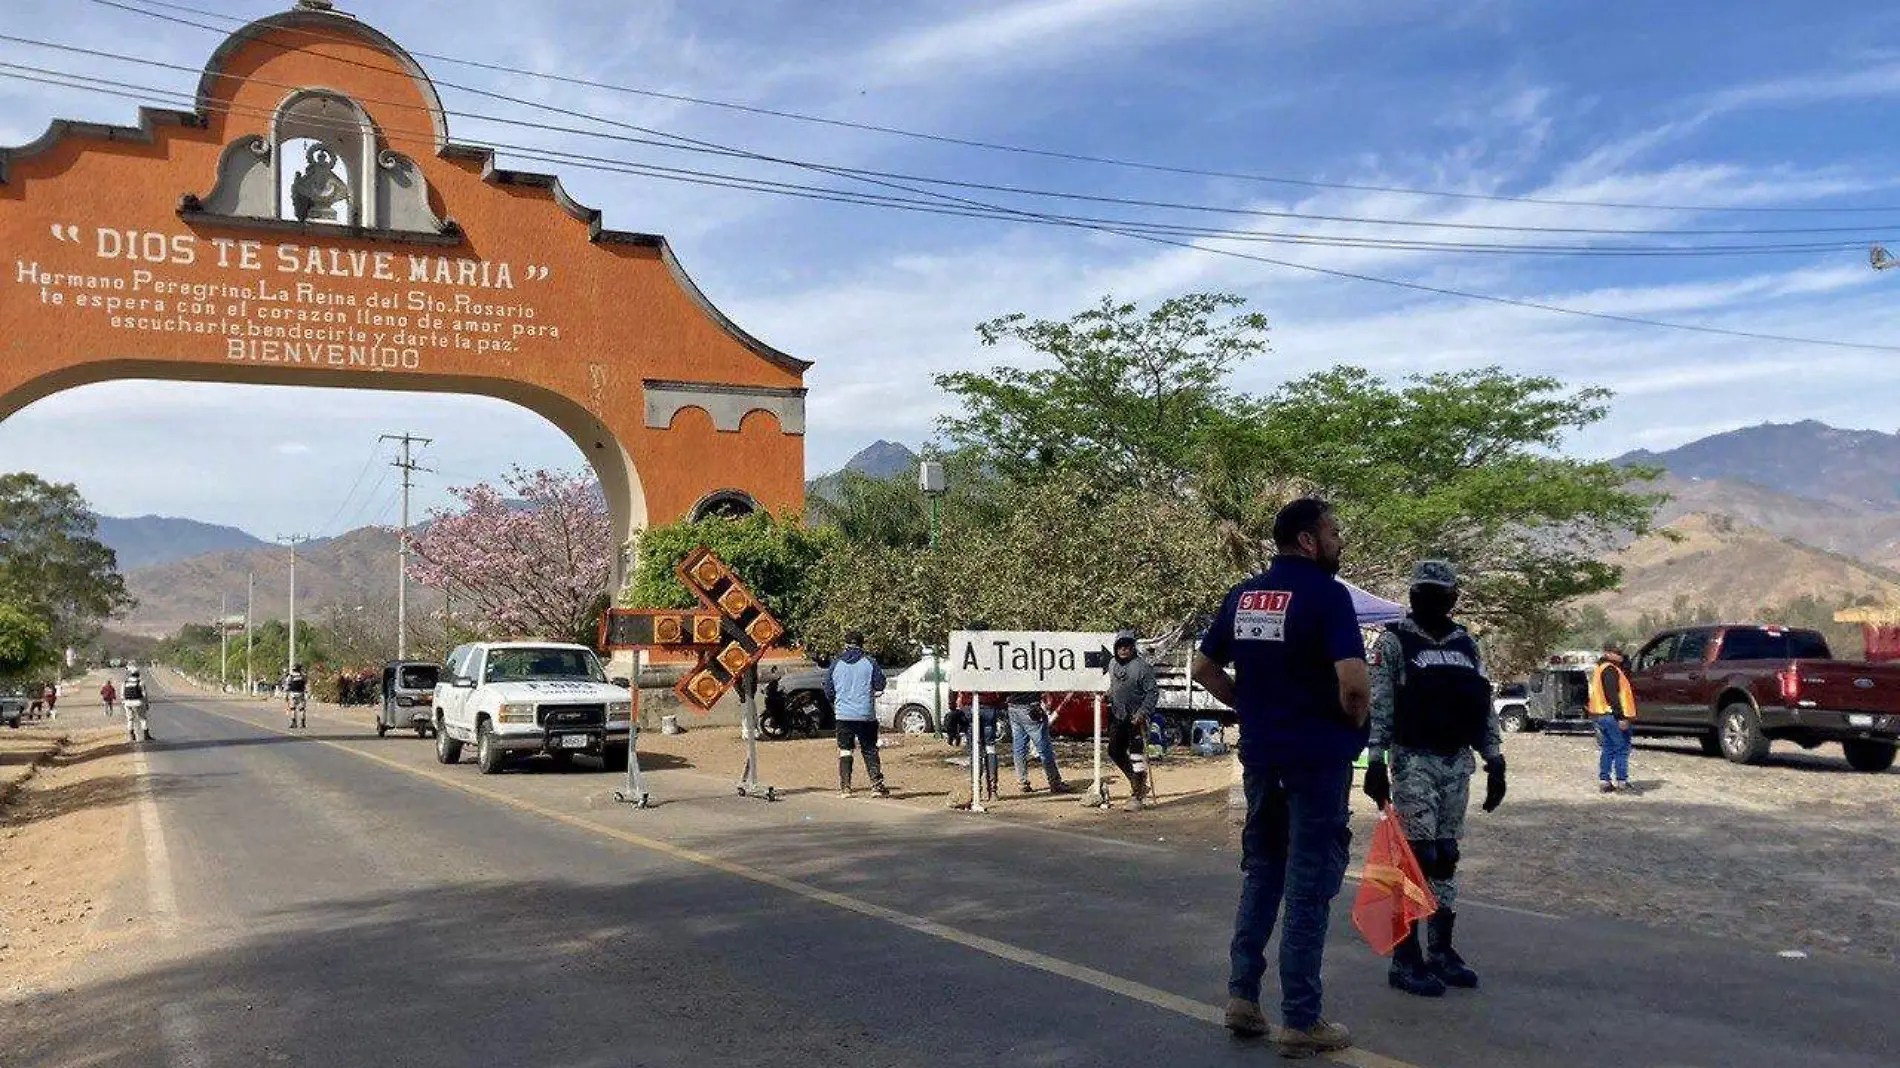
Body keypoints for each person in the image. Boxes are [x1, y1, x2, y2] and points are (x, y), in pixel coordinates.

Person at [1193, 497, 1370, 1059]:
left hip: (1263, 759)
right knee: (1309, 884)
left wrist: (1249, 707)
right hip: (1317, 761)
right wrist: (1354, 723)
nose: (1340, 541)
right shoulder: (1329, 595)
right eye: (1334, 532)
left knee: (1264, 872)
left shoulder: (1244, 596)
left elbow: (1203, 669)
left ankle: (1243, 999)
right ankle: (1302, 1018)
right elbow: (1355, 684)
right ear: (1310, 541)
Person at [1364, 560, 1506, 999]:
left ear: (1453, 598)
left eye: (1438, 592)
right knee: (1416, 856)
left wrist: (1495, 758)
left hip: (1455, 762)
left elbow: (1480, 704)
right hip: (1413, 761)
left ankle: (1440, 950)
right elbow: (1382, 702)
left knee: (1445, 855)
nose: (1429, 600)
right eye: (1422, 592)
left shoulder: (1467, 645)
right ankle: (1404, 958)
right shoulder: (1394, 642)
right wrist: (1374, 760)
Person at [825, 632, 889, 798]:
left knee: (845, 750)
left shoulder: (836, 664)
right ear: (862, 644)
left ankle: (846, 787)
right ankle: (876, 785)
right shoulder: (870, 663)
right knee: (869, 749)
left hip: (843, 715)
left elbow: (828, 690)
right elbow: (880, 683)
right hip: (866, 714)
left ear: (845, 644)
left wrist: (838, 702)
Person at [1104, 631, 1158, 811]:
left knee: (1136, 755)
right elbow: (1115, 687)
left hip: (1137, 719)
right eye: (1120, 646)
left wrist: (1142, 713)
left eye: (1127, 646)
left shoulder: (1142, 667)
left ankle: (1137, 794)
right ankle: (1137, 781)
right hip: (1118, 716)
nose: (1123, 649)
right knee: (1113, 750)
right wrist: (1107, 696)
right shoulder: (1112, 664)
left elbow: (1152, 693)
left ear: (1133, 648)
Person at [1590, 643, 1636, 792]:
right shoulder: (1610, 670)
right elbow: (1612, 696)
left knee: (1608, 748)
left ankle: (1604, 780)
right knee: (1622, 748)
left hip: (1601, 714)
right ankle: (1622, 782)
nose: (1620, 655)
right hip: (1613, 716)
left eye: (1621, 653)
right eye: (1617, 653)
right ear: (1608, 653)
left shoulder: (1601, 668)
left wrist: (1626, 663)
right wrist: (1621, 717)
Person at [1006, 692, 1067, 794]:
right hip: (1030, 707)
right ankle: (1055, 782)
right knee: (1044, 748)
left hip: (1013, 706)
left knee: (1019, 747)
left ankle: (1022, 782)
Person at [122, 667, 151, 742]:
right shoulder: (140, 682)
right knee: (142, 719)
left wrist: (124, 703)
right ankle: (146, 735)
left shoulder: (125, 682)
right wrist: (146, 704)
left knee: (130, 719)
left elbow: (122, 694)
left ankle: (132, 736)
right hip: (138, 702)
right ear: (138, 674)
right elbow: (144, 694)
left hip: (127, 703)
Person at [283, 663, 309, 729]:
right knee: (302, 709)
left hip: (292, 694)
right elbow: (306, 684)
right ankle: (303, 723)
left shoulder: (290, 676)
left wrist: (285, 695)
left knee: (293, 709)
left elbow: (287, 685)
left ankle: (294, 723)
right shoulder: (303, 676)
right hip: (301, 693)